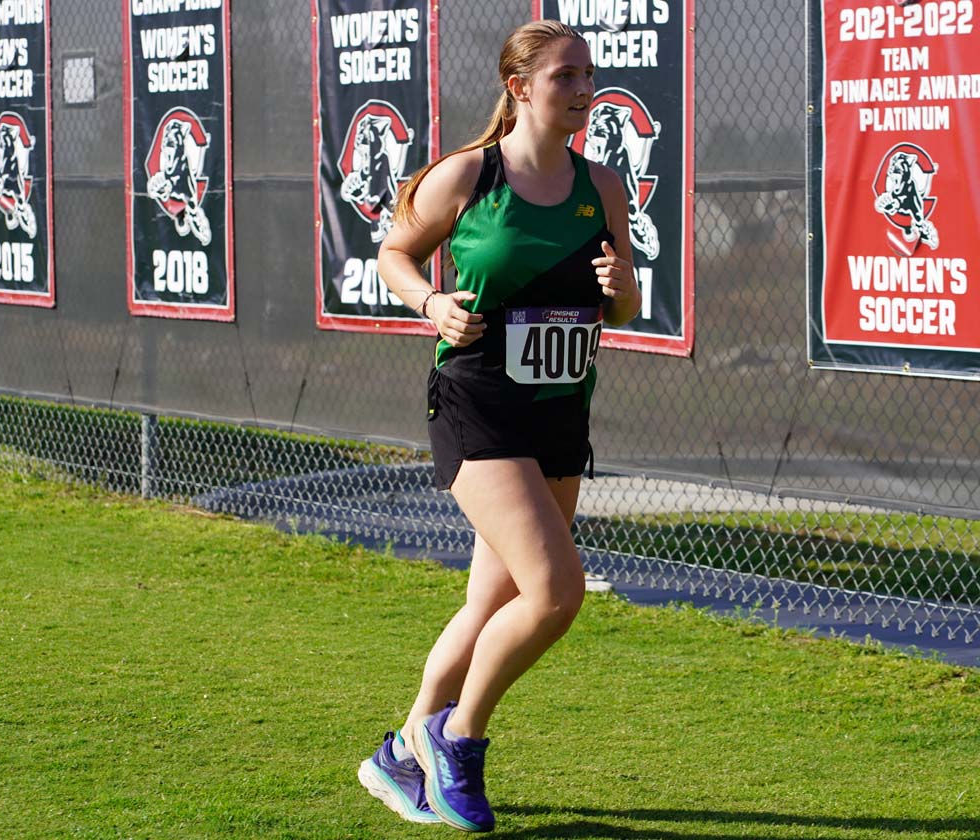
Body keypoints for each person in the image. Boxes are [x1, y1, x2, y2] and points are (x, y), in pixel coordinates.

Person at [356, 20, 642, 833]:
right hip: (479, 405)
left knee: (494, 601)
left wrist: (624, 288)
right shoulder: (470, 175)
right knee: (555, 593)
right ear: (519, 87)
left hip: (559, 410)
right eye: (566, 77)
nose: (585, 90)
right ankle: (458, 737)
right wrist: (430, 302)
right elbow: (394, 253)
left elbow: (621, 306)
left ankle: (401, 751)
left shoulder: (602, 185)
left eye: (589, 76)